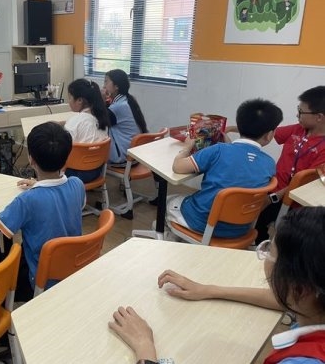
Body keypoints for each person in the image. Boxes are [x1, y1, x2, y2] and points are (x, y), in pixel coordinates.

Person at [109, 207, 325, 364]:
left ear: (300, 289)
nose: (264, 256)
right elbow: (283, 298)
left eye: (270, 252)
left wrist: (145, 349)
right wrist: (208, 290)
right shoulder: (314, 302)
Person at [0, 122, 85, 302]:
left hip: (40, 279)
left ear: (31, 160)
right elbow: (59, 198)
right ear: (66, 158)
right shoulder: (77, 184)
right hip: (72, 268)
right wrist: (39, 184)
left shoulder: (28, 200)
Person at [167, 98, 283, 238]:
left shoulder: (218, 150)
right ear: (269, 135)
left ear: (239, 125)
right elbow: (243, 166)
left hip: (203, 223)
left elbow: (177, 167)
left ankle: (169, 236)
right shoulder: (269, 164)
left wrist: (186, 147)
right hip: (240, 229)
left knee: (169, 200)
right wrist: (230, 145)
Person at [244, 86, 325, 243]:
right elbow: (264, 133)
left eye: (301, 111)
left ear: (319, 117)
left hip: (294, 203)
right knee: (258, 229)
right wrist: (237, 129)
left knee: (286, 239)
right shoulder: (298, 129)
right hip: (273, 191)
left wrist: (272, 198)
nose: (297, 114)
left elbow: (303, 182)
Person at [64, 78, 110, 183]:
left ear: (80, 100)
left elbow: (63, 150)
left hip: (75, 175)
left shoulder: (75, 121)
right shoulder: (101, 119)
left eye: (70, 97)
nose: (69, 101)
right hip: (96, 171)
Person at [104, 69, 148, 165]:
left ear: (116, 86)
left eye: (106, 82)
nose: (104, 86)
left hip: (123, 156)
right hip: (135, 154)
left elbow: (100, 120)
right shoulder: (128, 100)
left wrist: (100, 99)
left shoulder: (118, 106)